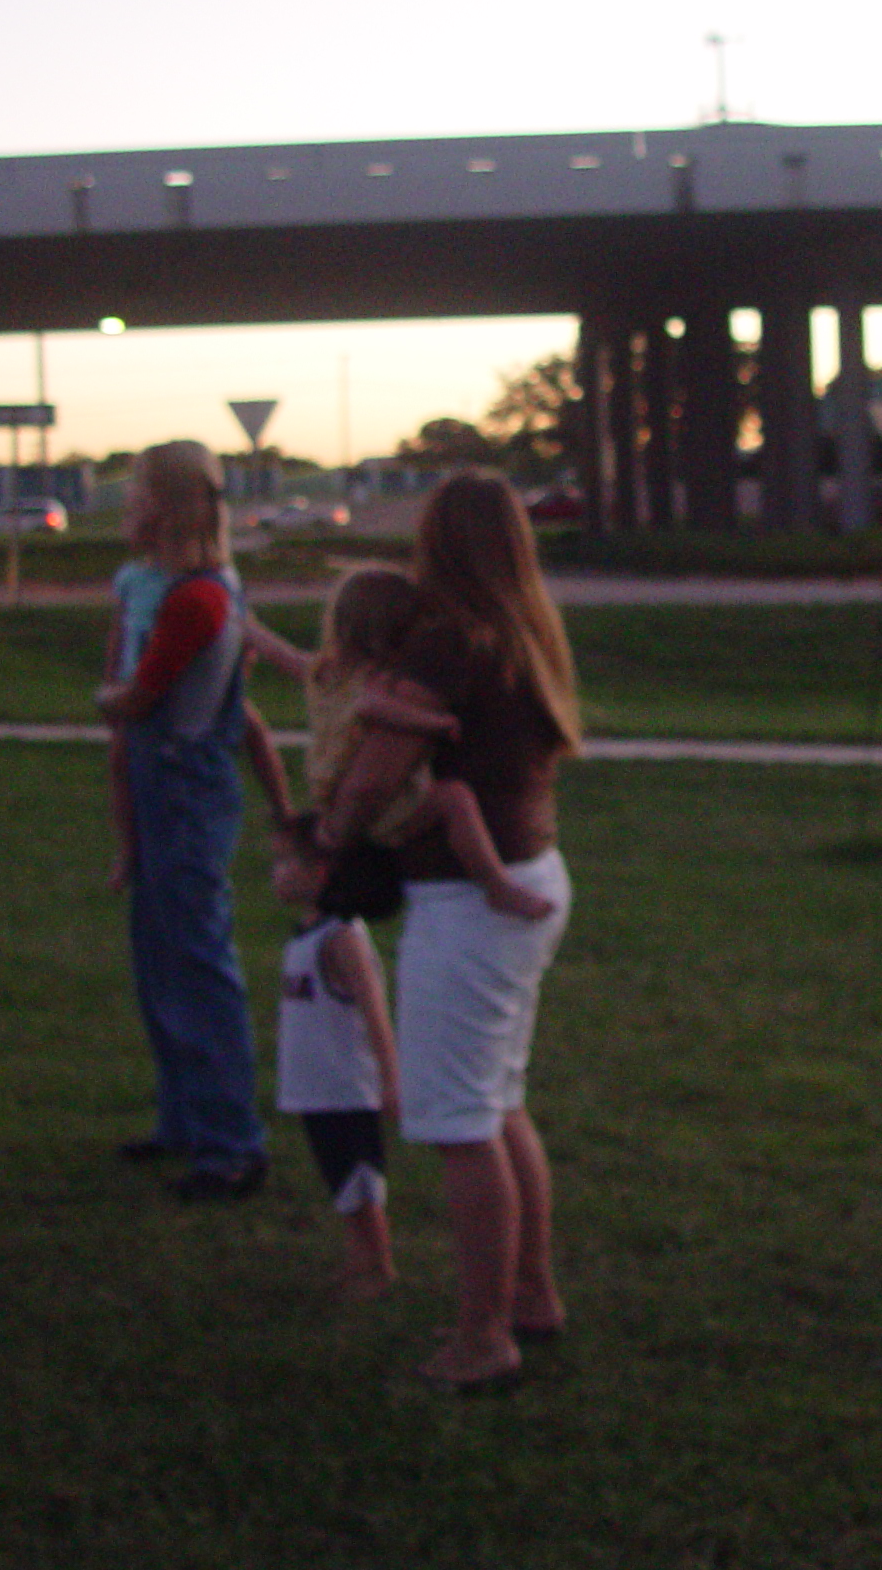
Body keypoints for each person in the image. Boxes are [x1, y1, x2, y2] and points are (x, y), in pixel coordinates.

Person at [317, 471, 579, 1392]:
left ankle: (481, 1336)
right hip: (528, 876)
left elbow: (372, 777)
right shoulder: (526, 631)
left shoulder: (444, 641)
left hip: (469, 905)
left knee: (460, 1121)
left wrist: (330, 840)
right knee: (498, 1101)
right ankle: (530, 1296)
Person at [94, 441, 286, 1201]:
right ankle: (187, 1121)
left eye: (135, 496)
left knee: (198, 962)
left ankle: (233, 1144)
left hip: (181, 782)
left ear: (167, 510)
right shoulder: (181, 586)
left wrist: (103, 702)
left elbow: (136, 696)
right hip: (162, 779)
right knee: (162, 957)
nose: (125, 510)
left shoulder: (197, 599)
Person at [248, 565, 558, 922]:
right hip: (387, 806)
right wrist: (437, 724)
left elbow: (284, 656)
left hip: (331, 788)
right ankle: (497, 887)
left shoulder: (325, 674)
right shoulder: (378, 680)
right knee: (455, 799)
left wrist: (249, 631)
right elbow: (369, 707)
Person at [269, 817, 404, 1301]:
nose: (275, 873)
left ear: (322, 874)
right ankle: (358, 1257)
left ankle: (379, 1263)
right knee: (337, 1175)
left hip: (345, 1087)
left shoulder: (340, 938)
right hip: (316, 1086)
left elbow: (373, 1008)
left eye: (285, 862)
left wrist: (390, 1078)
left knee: (358, 1176)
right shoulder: (306, 935)